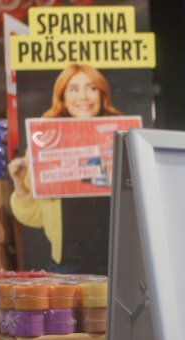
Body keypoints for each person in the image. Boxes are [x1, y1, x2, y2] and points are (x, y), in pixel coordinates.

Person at [7, 64, 122, 270]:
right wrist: (19, 183)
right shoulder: (44, 145)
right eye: (74, 89)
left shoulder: (123, 137)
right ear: (63, 98)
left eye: (92, 88)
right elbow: (34, 216)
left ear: (102, 94)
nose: (83, 96)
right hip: (69, 261)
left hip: (120, 256)